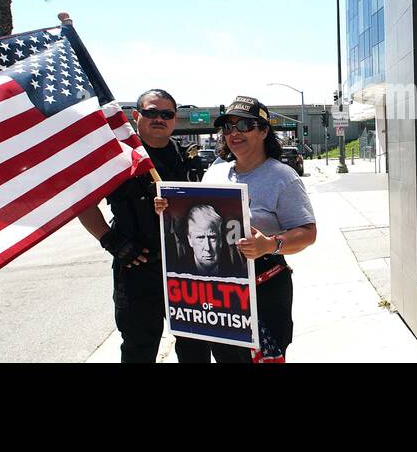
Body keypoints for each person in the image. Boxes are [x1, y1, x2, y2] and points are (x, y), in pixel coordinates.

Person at [159, 95, 317, 363]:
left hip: (265, 290)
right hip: (222, 294)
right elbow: (196, 218)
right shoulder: (216, 172)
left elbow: (308, 233)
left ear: (264, 131)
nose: (234, 133)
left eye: (244, 125)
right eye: (228, 127)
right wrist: (169, 208)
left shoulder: (282, 176)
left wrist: (270, 244)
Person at [77, 89, 189, 363]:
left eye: (166, 114)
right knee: (139, 347)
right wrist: (110, 240)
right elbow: (82, 203)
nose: (159, 119)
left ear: (175, 120)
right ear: (136, 116)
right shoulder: (117, 157)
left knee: (193, 344)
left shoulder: (187, 158)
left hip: (184, 268)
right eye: (151, 112)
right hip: (136, 268)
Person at [179, 203, 246, 279]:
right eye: (200, 238)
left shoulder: (237, 271)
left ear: (220, 240)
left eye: (212, 237)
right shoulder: (176, 270)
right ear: (190, 240)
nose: (207, 248)